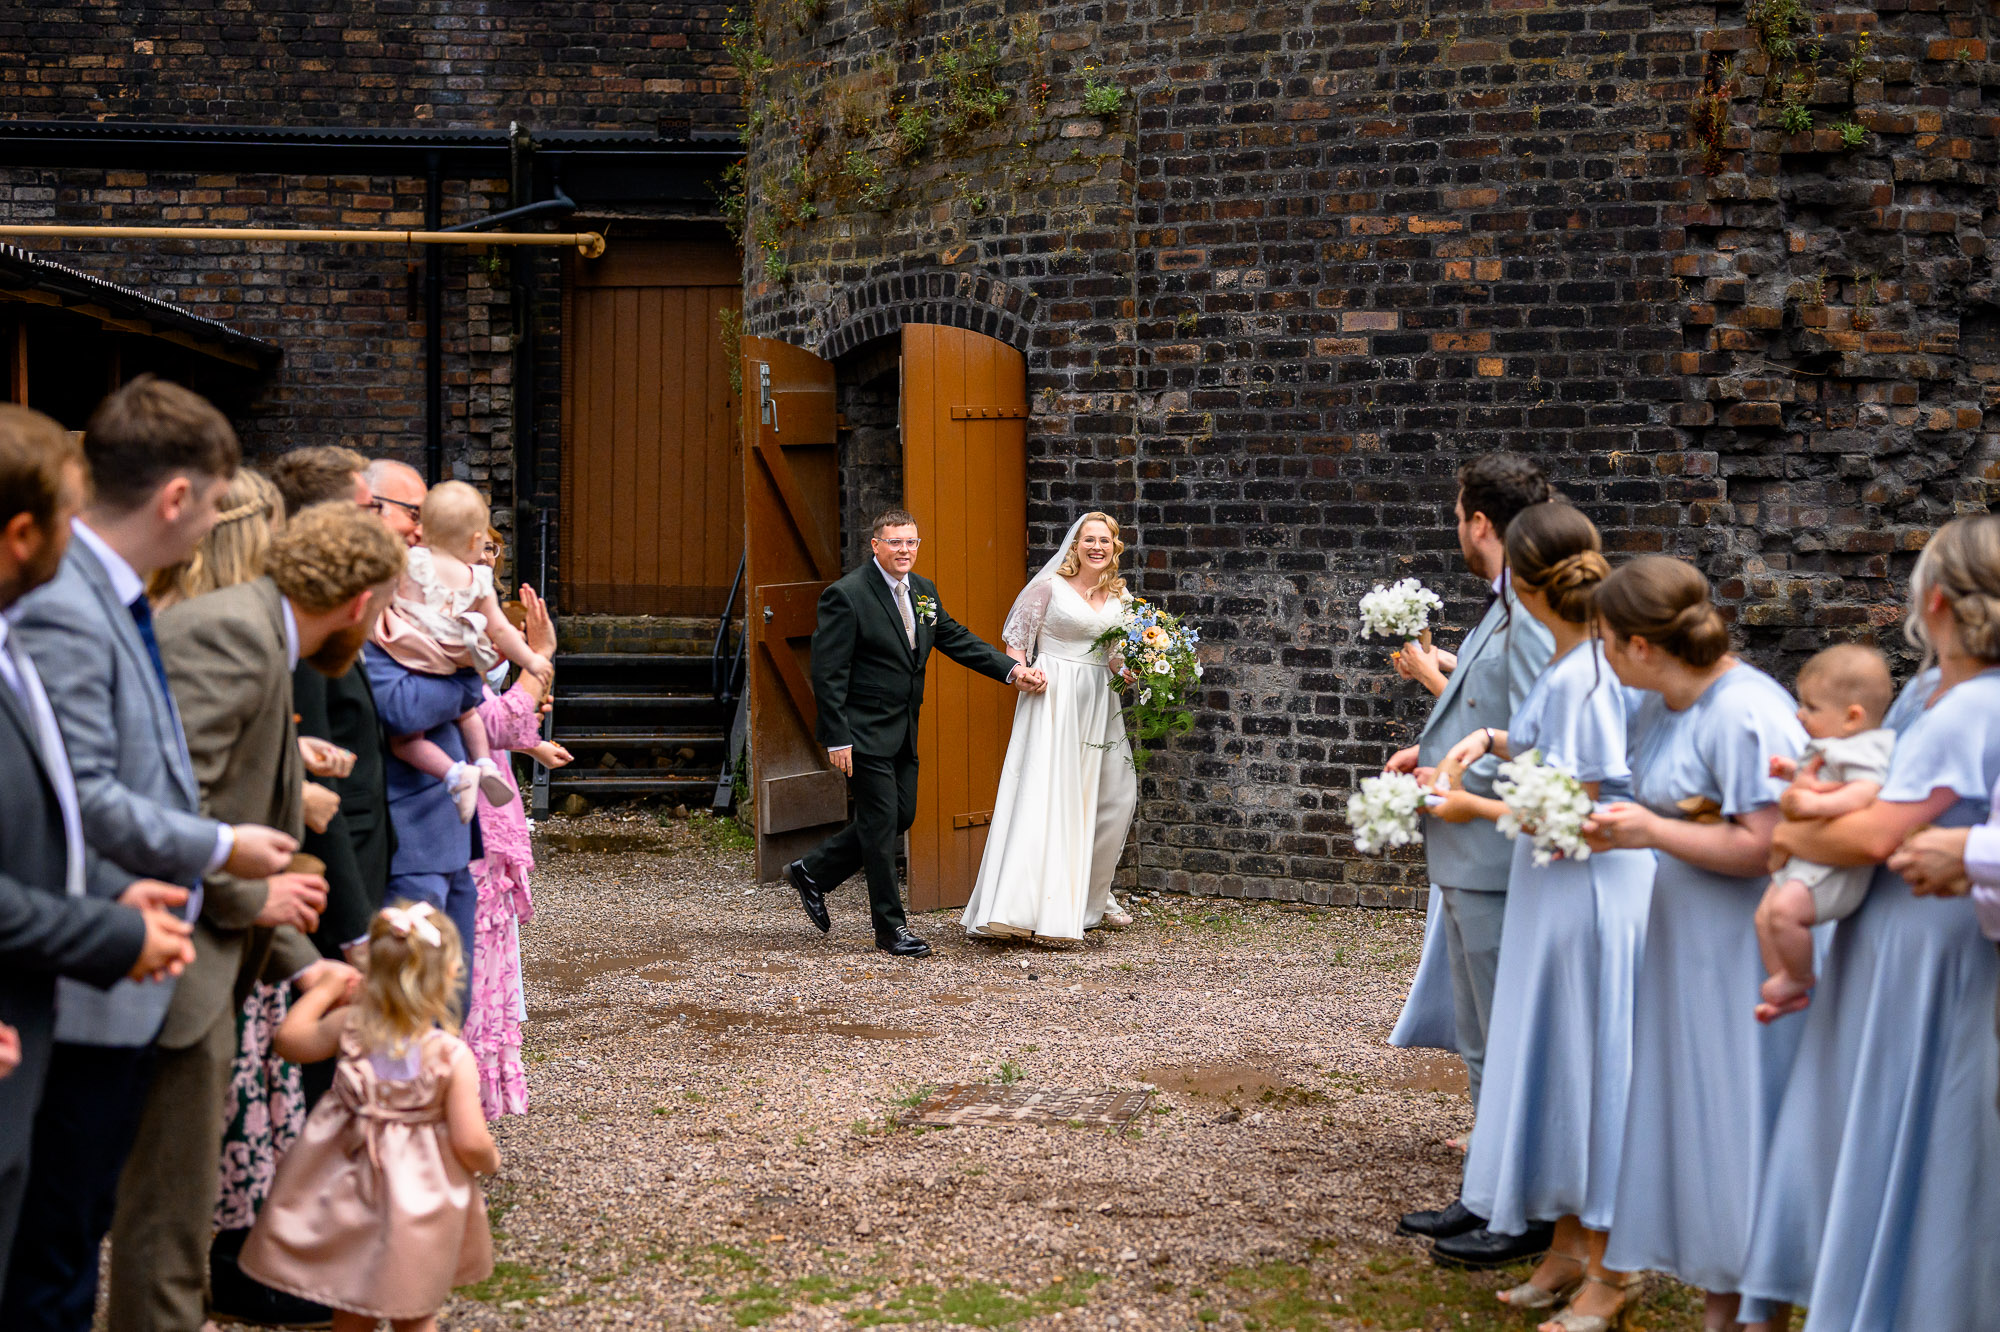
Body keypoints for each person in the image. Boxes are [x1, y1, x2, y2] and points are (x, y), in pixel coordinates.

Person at [4, 379, 297, 1332]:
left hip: (115, 943)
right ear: (178, 499)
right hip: (79, 974)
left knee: (70, 1230)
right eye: (216, 502)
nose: (218, 525)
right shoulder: (64, 604)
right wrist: (219, 842)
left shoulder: (106, 596)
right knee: (52, 1254)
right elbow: (79, 789)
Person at [109, 501, 396, 1332]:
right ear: (358, 602)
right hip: (173, 959)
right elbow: (161, 805)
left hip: (223, 959)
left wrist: (304, 962)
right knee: (165, 1222)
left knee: (178, 1213)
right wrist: (246, 894)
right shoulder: (238, 637)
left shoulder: (266, 635)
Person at [1740, 515, 2000, 1329]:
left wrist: (1788, 832)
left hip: (1931, 946)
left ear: (1936, 604)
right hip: (1909, 935)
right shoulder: (1938, 692)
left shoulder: (1965, 708)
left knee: (1914, 1127)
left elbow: (1875, 832)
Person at [1434, 502, 1655, 1332]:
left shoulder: (1591, 673)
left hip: (1592, 887)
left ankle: (1612, 1269)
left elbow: (1590, 802)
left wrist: (1476, 813)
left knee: (1594, 1064)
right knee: (1560, 1056)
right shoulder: (1571, 663)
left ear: (1525, 587)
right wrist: (1491, 739)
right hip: (1554, 885)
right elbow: (1544, 754)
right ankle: (1566, 1244)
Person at [0, 405, 196, 1301]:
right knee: (45, 1269)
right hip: (41, 1001)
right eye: (72, 513)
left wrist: (103, 908)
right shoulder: (61, 616)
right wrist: (106, 934)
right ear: (23, 533)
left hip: (59, 978)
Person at [1580, 557, 1805, 1332]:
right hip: (1680, 937)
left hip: (1744, 945)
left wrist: (1648, 830)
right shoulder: (1660, 704)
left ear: (1643, 646)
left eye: (1607, 640)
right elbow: (1635, 795)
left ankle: (1760, 1310)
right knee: (1695, 1118)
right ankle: (1721, 1303)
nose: (1601, 654)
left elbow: (1772, 844)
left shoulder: (1749, 711)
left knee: (1739, 1116)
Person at [1385, 453, 1555, 1266]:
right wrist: (1429, 749)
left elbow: (1540, 738)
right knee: (1481, 1035)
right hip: (1462, 849)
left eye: (1458, 513)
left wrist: (1461, 778)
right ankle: (1484, 1194)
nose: (1455, 526)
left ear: (1479, 523)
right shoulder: (1501, 605)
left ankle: (1521, 1211)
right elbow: (1487, 711)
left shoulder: (1528, 613)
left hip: (1493, 849)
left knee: (1505, 1033)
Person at [786, 508, 1047, 958]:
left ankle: (813, 871)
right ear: (875, 545)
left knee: (899, 815)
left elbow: (956, 639)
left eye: (911, 542)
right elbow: (827, 674)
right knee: (883, 820)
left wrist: (1013, 671)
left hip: (904, 727)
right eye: (895, 542)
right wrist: (837, 738)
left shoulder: (922, 592)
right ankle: (890, 928)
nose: (904, 550)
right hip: (862, 731)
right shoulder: (845, 596)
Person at [240, 903, 497, 1332]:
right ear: (449, 975)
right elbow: (470, 1141)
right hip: (418, 1199)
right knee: (415, 1313)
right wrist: (489, 1162)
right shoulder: (450, 1056)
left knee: (351, 1305)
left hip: (346, 1187)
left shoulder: (350, 1026)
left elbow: (289, 1040)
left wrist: (324, 988)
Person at [960, 512, 1138, 942]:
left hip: (1099, 700)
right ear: (1075, 546)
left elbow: (1114, 654)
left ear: (1115, 547)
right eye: (1088, 539)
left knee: (1116, 795)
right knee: (1049, 796)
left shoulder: (1120, 595)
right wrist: (1023, 673)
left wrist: (1127, 668)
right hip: (1054, 696)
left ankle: (1094, 897)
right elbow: (1016, 643)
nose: (1097, 546)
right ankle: (1028, 905)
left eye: (1105, 540)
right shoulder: (1047, 588)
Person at [269, 446, 397, 975]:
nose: (383, 520)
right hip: (332, 867)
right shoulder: (303, 632)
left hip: (364, 848)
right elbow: (322, 794)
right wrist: (353, 925)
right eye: (371, 508)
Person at [371, 481, 551, 824]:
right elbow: (501, 630)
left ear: (421, 530)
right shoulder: (478, 582)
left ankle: (454, 773)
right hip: (460, 667)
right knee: (468, 713)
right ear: (473, 541)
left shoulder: (410, 564)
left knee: (406, 742)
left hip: (414, 664)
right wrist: (533, 659)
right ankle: (483, 764)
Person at [464, 533, 568, 1118]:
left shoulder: (496, 613)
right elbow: (481, 710)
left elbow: (492, 710)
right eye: (478, 548)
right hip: (470, 781)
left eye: (495, 549)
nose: (488, 558)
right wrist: (538, 663)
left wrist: (530, 741)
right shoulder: (445, 620)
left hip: (492, 758)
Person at [1750, 644, 1896, 1023]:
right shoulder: (1834, 745)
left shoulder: (1867, 749)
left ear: (1852, 717)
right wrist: (1789, 773)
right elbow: (1822, 777)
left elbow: (1866, 791)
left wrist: (1815, 805)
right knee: (1764, 916)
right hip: (1807, 856)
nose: (1800, 715)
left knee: (1783, 913)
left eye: (1811, 708)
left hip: (1832, 865)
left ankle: (1800, 977)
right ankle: (1784, 978)